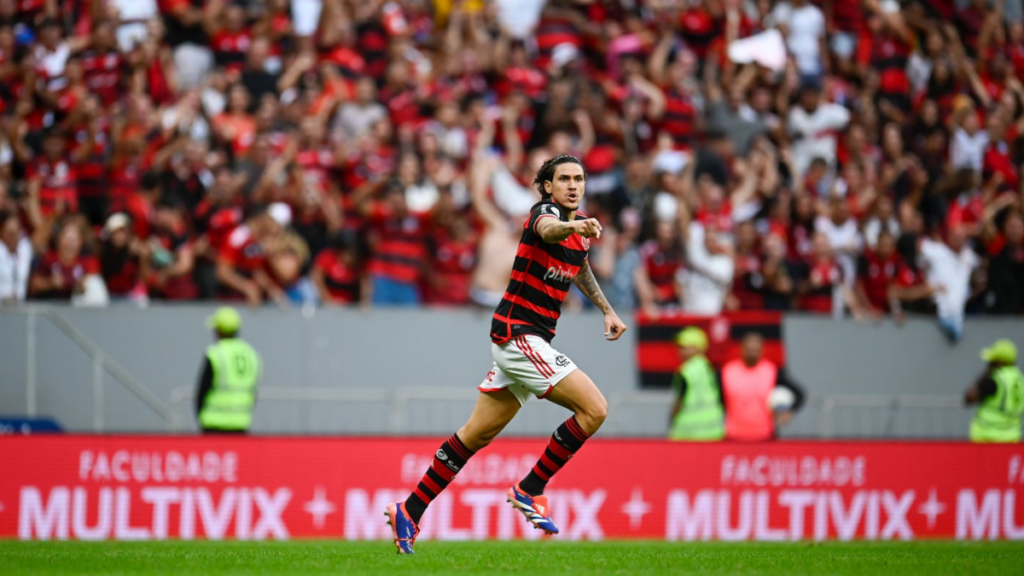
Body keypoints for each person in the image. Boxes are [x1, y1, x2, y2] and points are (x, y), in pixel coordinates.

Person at [384, 155, 628, 554]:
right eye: (564, 178)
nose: (573, 185)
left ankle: (409, 510)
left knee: (475, 435)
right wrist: (572, 224)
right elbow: (549, 232)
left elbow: (579, 264)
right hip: (518, 335)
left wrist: (606, 309)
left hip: (531, 340)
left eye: (579, 179)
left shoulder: (579, 231)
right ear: (547, 186)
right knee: (595, 409)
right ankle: (530, 488)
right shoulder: (545, 214)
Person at [721, 333, 805, 441]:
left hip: (765, 436)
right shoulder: (728, 371)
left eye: (755, 349)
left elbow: (799, 393)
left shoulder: (771, 371)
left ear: (762, 350)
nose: (752, 352)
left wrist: (788, 410)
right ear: (741, 349)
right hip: (733, 435)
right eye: (748, 348)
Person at [195, 307, 262, 434]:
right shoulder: (252, 354)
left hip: (213, 423)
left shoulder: (215, 353)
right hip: (241, 422)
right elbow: (254, 391)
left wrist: (200, 416)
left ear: (219, 330)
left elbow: (202, 390)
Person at [668, 327, 724, 441]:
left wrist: (671, 417)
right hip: (713, 430)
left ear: (697, 348)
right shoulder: (710, 369)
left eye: (684, 347)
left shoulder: (685, 370)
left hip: (686, 432)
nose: (680, 351)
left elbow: (679, 402)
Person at [965, 339, 1024, 443]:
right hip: (1013, 438)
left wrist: (987, 372)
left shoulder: (996, 379)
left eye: (993, 360)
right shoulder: (1020, 379)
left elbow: (969, 398)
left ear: (999, 361)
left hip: (987, 439)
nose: (990, 362)